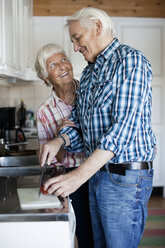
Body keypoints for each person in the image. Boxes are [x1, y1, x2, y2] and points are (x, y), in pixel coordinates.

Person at [40, 8, 157, 248]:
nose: (74, 48)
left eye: (77, 38)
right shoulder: (90, 73)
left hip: (124, 178)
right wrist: (59, 140)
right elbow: (82, 127)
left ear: (98, 27)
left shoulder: (129, 61)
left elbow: (122, 130)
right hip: (98, 176)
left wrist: (78, 176)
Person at [35, 43, 94, 248]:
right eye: (53, 64)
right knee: (85, 234)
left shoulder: (90, 92)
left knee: (104, 232)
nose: (62, 66)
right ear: (45, 77)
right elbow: (51, 161)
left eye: (63, 59)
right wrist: (62, 136)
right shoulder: (44, 111)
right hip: (70, 176)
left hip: (99, 169)